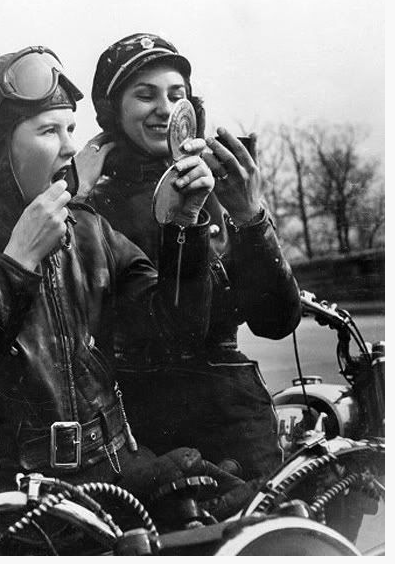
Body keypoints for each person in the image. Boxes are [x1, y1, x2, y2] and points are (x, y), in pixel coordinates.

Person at [0, 46, 249, 532]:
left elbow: (175, 336)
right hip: (4, 493)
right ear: (0, 147)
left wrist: (183, 226)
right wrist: (18, 262)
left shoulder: (91, 231)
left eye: (70, 130)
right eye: (47, 131)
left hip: (114, 472)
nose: (67, 148)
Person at [78, 33, 301, 480]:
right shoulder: (93, 205)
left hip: (236, 420)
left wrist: (250, 214)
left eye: (177, 95)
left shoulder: (220, 189)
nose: (165, 108)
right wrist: (78, 199)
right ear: (112, 112)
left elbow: (276, 320)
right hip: (141, 426)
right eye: (145, 95)